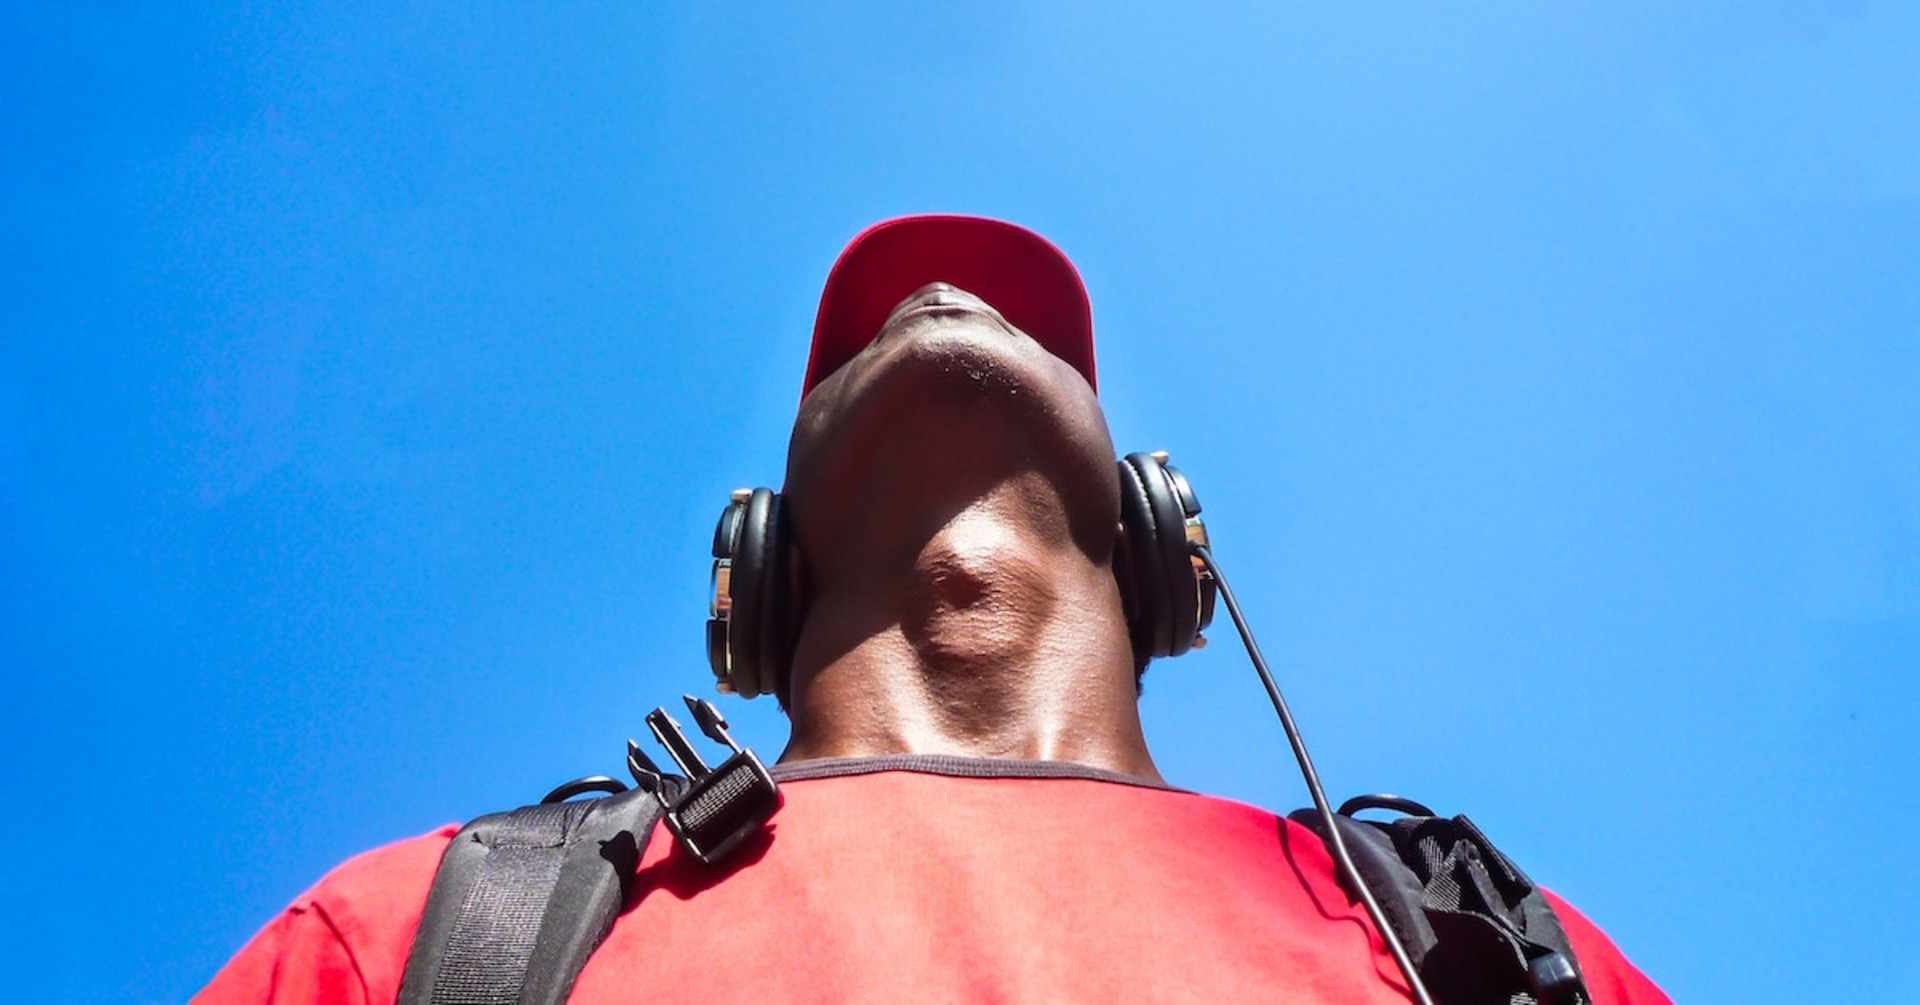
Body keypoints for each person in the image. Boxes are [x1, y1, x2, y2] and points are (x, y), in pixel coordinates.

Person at [198, 215, 1669, 1003]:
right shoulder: (423, 935)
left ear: (1161, 539)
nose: (952, 297)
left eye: (1030, 328)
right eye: (872, 333)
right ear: (756, 572)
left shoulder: (1476, 945)